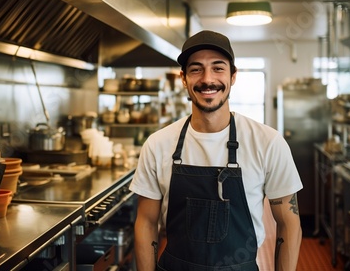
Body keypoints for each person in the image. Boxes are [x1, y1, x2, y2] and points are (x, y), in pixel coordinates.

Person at [129, 30, 303, 271]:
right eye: (196, 69)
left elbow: (289, 224)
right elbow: (146, 222)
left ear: (233, 76)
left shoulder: (268, 142)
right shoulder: (158, 144)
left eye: (218, 68)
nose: (207, 79)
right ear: (184, 78)